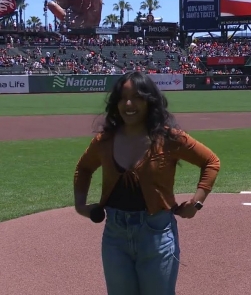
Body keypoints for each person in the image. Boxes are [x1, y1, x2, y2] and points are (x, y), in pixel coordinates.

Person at [73, 71, 221, 295]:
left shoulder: (169, 138)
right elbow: (83, 168)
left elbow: (210, 161)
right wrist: (80, 205)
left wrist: (197, 202)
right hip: (115, 236)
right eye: (122, 98)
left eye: (137, 97)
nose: (128, 104)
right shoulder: (104, 141)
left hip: (157, 234)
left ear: (149, 100)